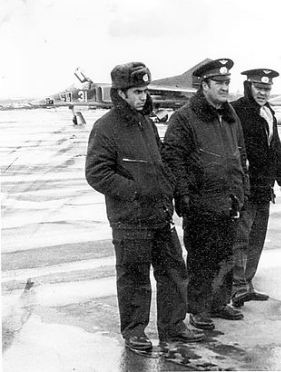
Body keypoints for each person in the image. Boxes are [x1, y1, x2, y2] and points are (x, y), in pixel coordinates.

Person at [85, 62, 204, 352]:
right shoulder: (106, 128)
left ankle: (173, 325)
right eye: (137, 91)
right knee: (134, 278)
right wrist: (135, 191)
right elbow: (96, 172)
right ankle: (135, 331)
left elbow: (160, 164)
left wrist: (169, 190)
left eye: (144, 91)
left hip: (159, 215)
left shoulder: (146, 123)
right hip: (130, 219)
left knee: (174, 272)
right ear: (121, 93)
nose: (143, 97)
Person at [162, 58, 249, 331]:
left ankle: (219, 303)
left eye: (227, 83)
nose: (225, 88)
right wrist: (184, 195)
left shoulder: (229, 116)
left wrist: (242, 187)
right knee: (202, 258)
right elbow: (173, 158)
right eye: (219, 83)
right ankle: (198, 309)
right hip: (201, 201)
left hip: (229, 199)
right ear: (204, 85)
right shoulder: (185, 118)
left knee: (226, 254)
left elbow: (240, 154)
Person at [230, 68, 281, 307]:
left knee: (256, 239)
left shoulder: (268, 113)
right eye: (259, 88)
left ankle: (247, 283)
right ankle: (236, 286)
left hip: (263, 188)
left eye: (267, 89)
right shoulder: (236, 111)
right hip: (245, 188)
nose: (263, 93)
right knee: (240, 238)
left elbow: (275, 150)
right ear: (249, 86)